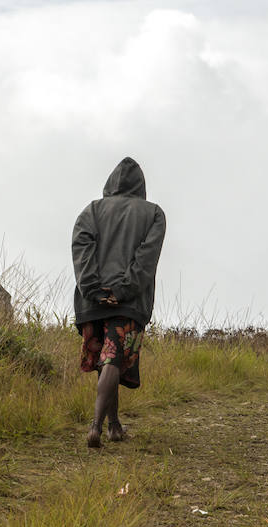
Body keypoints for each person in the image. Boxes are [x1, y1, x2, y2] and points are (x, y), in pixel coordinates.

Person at [72, 157, 166, 447]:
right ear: (141, 185)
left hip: (91, 303)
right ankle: (96, 426)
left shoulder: (91, 211)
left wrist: (95, 290)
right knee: (113, 361)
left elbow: (81, 249)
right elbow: (146, 259)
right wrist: (122, 291)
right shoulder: (153, 214)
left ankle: (114, 426)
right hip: (129, 303)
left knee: (105, 362)